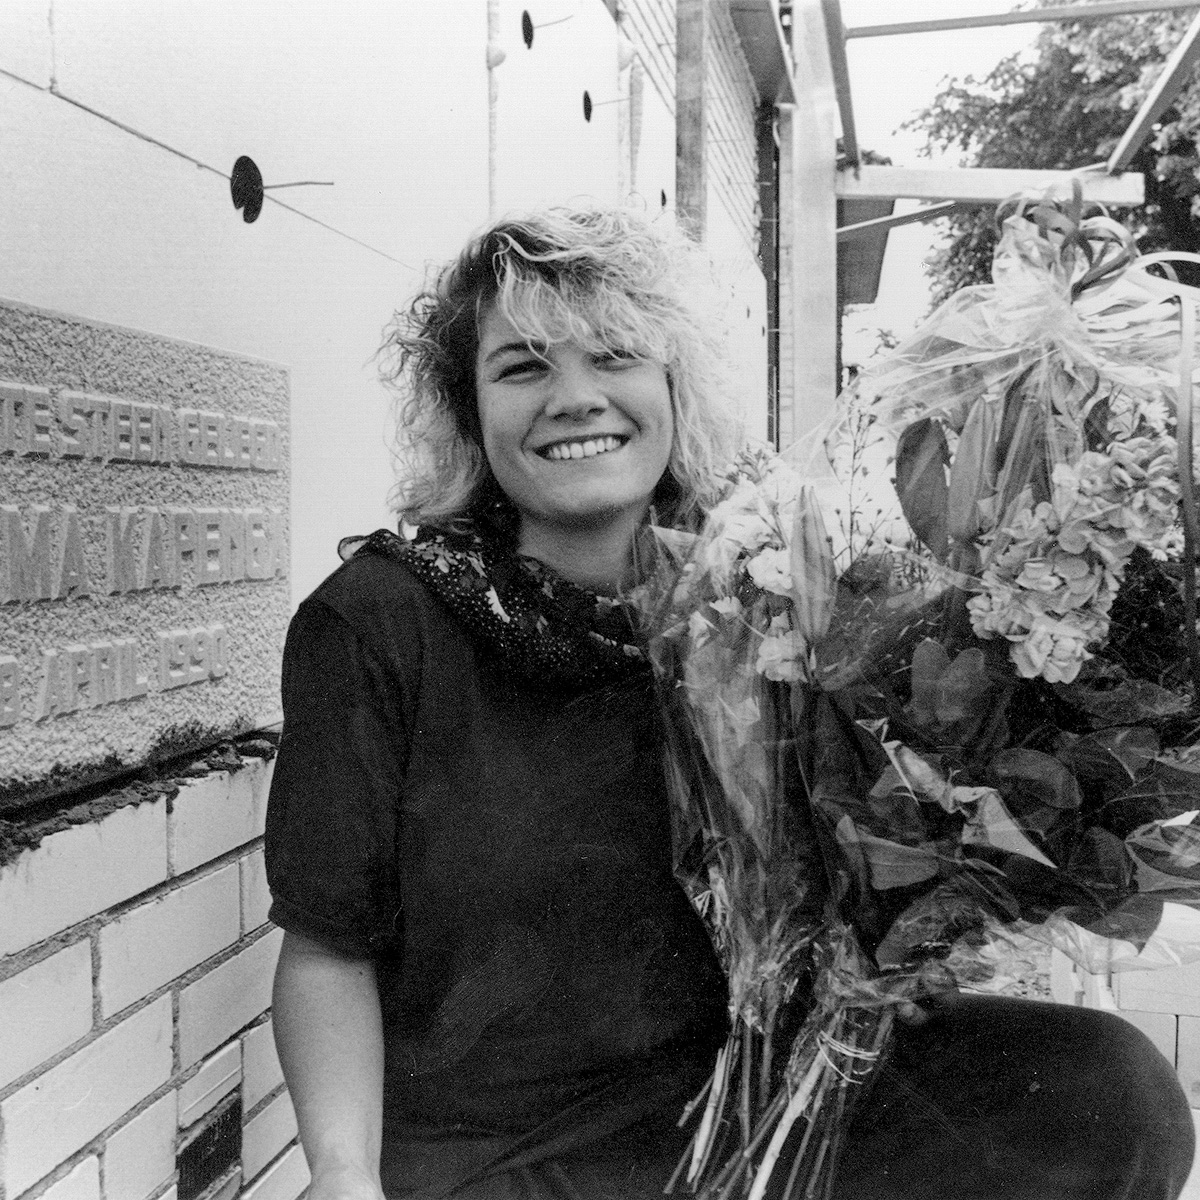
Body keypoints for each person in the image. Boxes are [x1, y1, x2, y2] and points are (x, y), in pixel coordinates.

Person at [265, 205, 1195, 1200]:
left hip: (757, 1098)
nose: (575, 398)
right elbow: (325, 946)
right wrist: (342, 1171)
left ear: (674, 386)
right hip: (519, 1158)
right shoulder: (381, 622)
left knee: (1110, 1095)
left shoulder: (769, 594)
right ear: (468, 407)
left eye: (614, 355)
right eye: (522, 367)